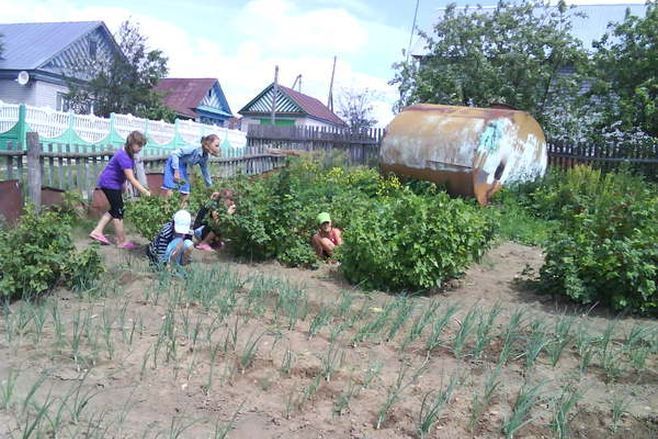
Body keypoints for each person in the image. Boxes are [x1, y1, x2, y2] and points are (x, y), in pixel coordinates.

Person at [89, 131, 151, 249]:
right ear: (132, 143)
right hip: (109, 184)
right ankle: (121, 241)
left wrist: (121, 185)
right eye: (139, 145)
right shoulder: (124, 156)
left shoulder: (127, 153)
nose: (140, 148)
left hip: (111, 183)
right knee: (119, 212)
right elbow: (131, 178)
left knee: (115, 209)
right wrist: (145, 192)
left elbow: (121, 173)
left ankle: (97, 231)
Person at [161, 134, 220, 203]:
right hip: (173, 163)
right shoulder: (194, 148)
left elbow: (205, 172)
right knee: (170, 188)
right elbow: (174, 154)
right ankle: (166, 209)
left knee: (185, 191)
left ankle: (182, 211)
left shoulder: (204, 157)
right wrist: (176, 171)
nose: (218, 148)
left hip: (182, 166)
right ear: (207, 144)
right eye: (216, 145)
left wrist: (210, 188)